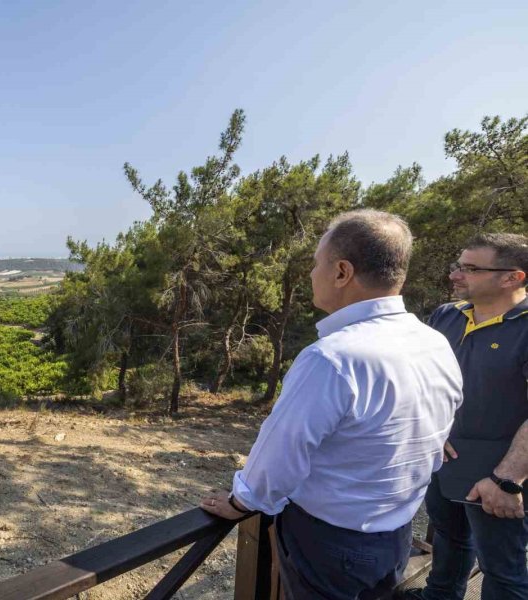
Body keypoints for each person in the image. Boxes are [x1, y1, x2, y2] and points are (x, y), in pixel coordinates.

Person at [201, 209, 463, 599]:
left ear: (342, 272)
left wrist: (243, 501)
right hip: (395, 535)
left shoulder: (333, 358)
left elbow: (281, 454)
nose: (310, 274)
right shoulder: (433, 342)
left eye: (315, 264)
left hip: (331, 545)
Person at [408, 232, 528, 600]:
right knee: (451, 539)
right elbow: (424, 379)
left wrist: (507, 479)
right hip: (446, 462)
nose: (455, 275)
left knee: (503, 572)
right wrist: (433, 431)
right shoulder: (446, 315)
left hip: (500, 474)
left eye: (470, 268)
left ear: (512, 277)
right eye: (457, 265)